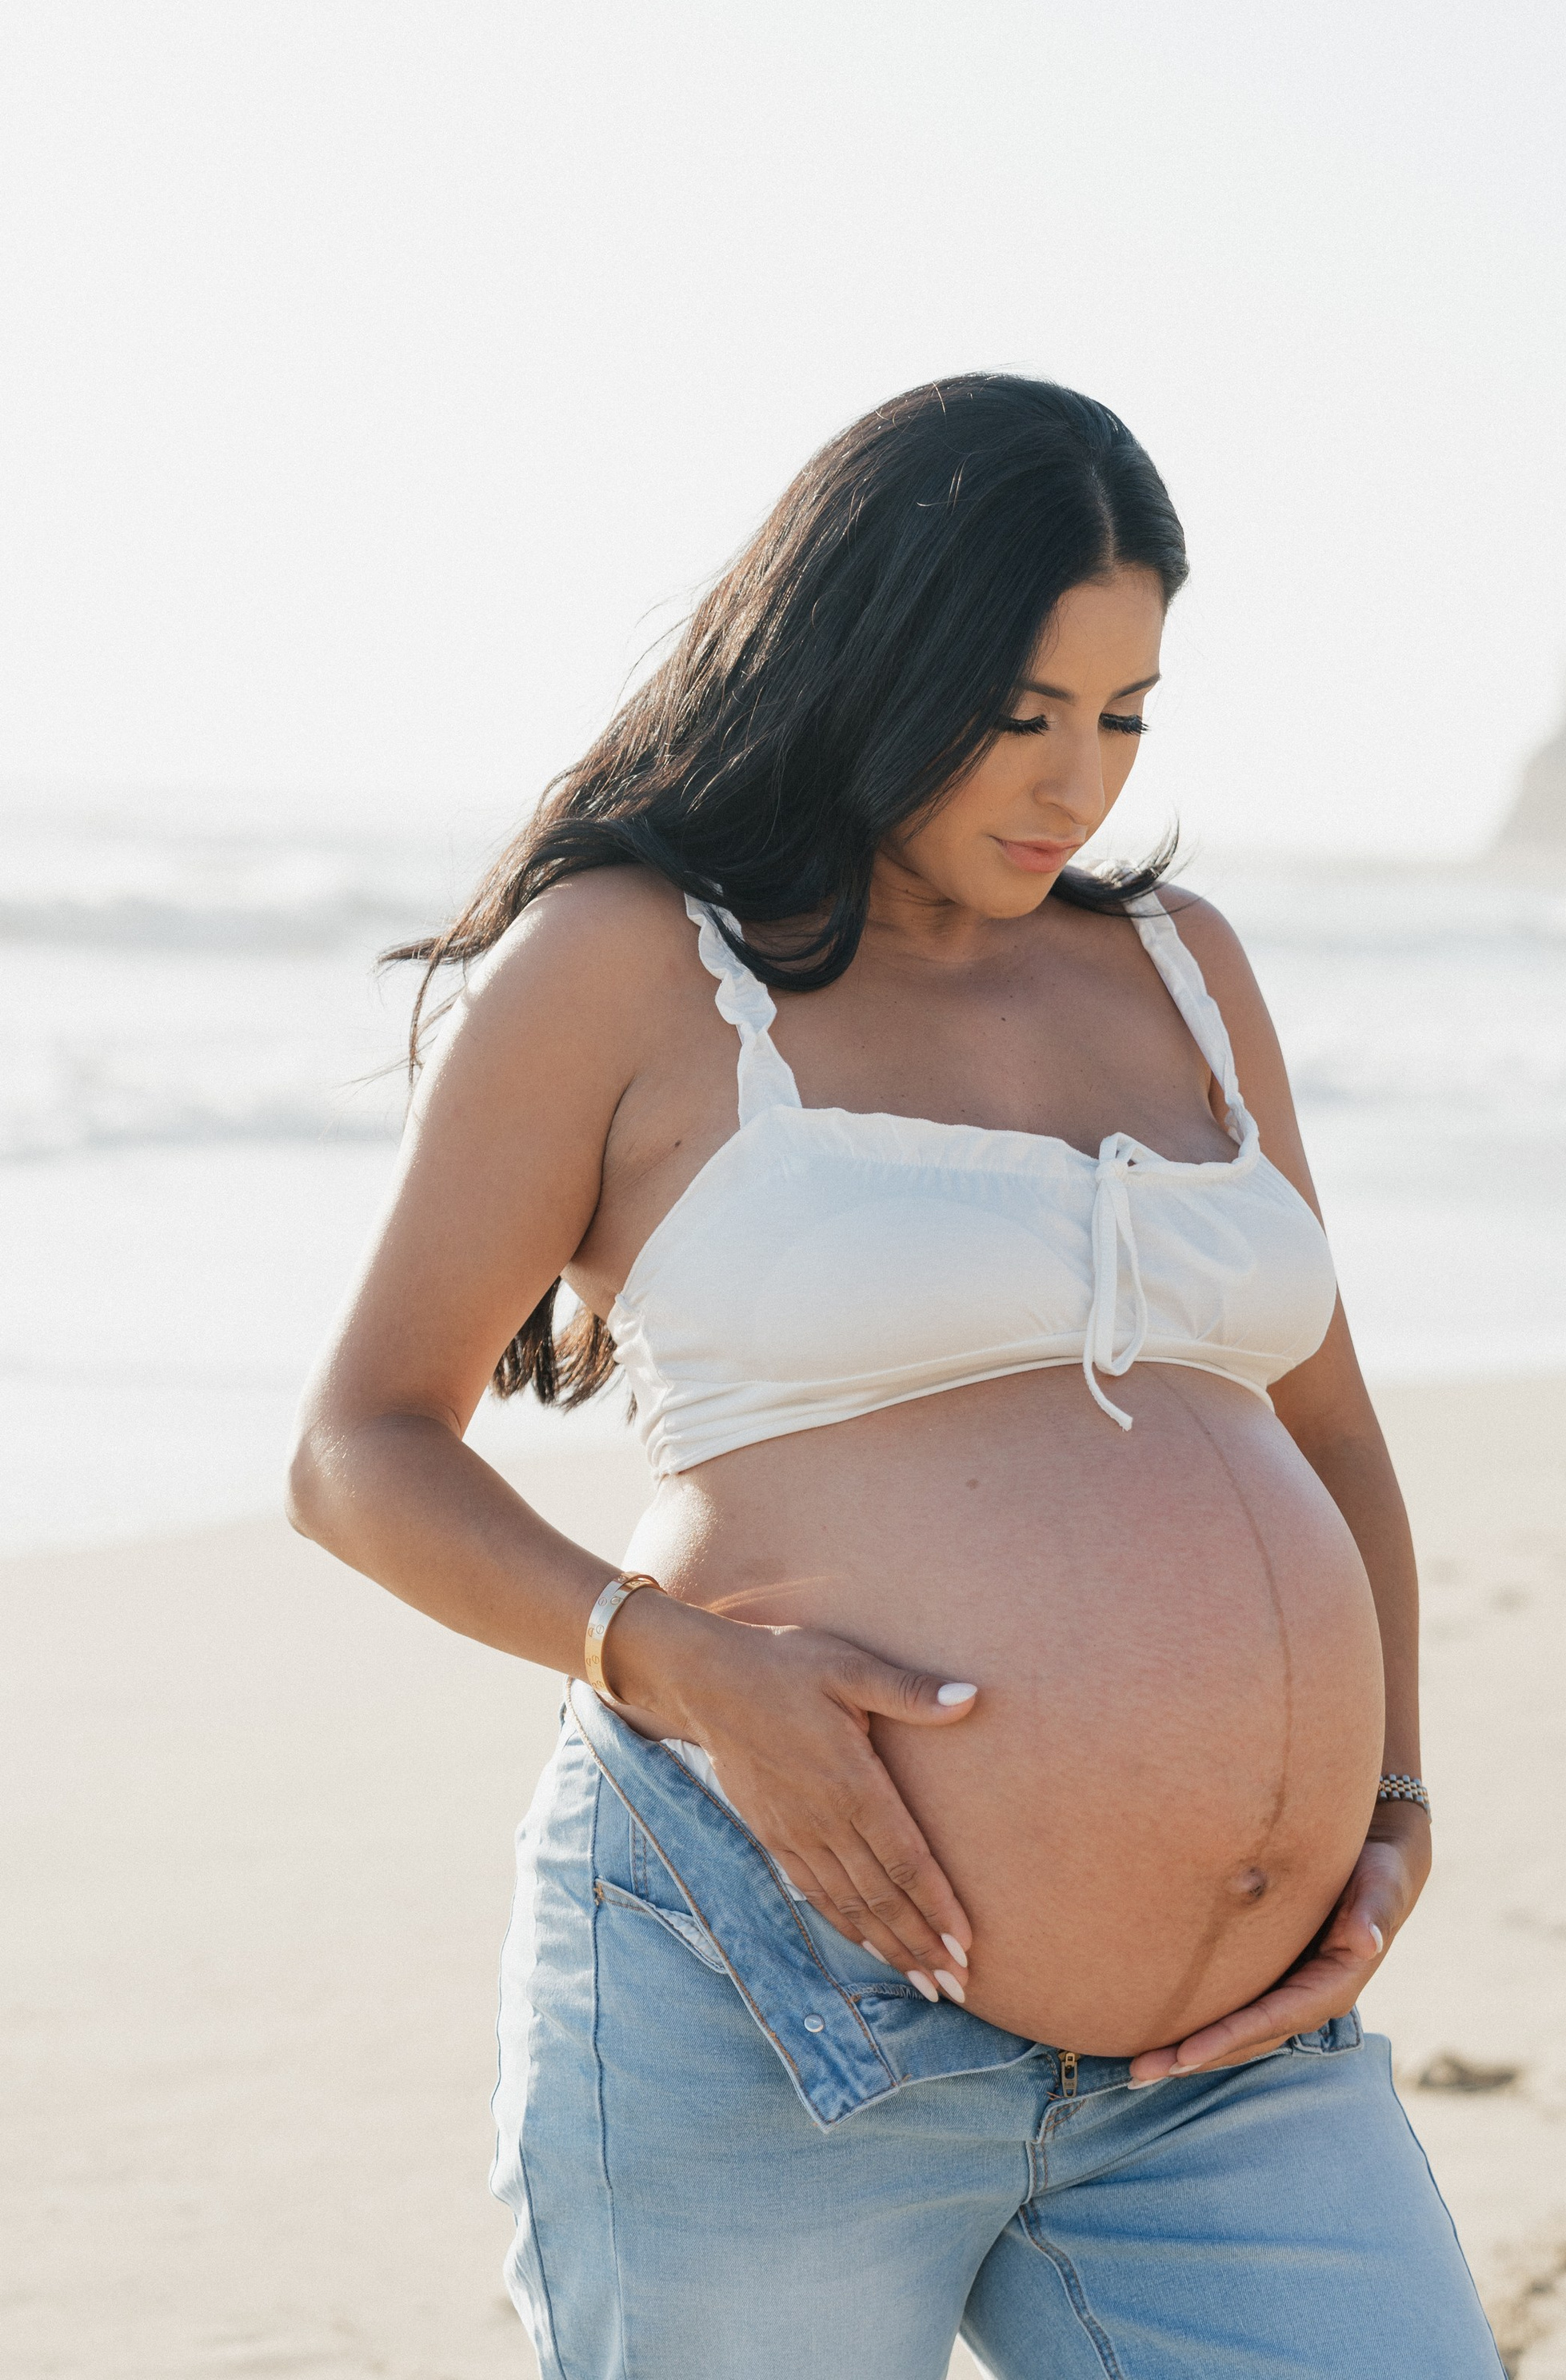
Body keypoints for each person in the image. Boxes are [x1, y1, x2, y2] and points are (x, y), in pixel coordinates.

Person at [289, 373, 1502, 2378]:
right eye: (1018, 714)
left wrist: (1389, 1797)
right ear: (871, 655)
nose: (1074, 783)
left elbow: (1331, 1429)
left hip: (1231, 2053)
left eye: (1122, 719)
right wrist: (675, 1661)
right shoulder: (629, 960)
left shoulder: (1185, 967)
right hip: (772, 1984)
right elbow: (358, 1450)